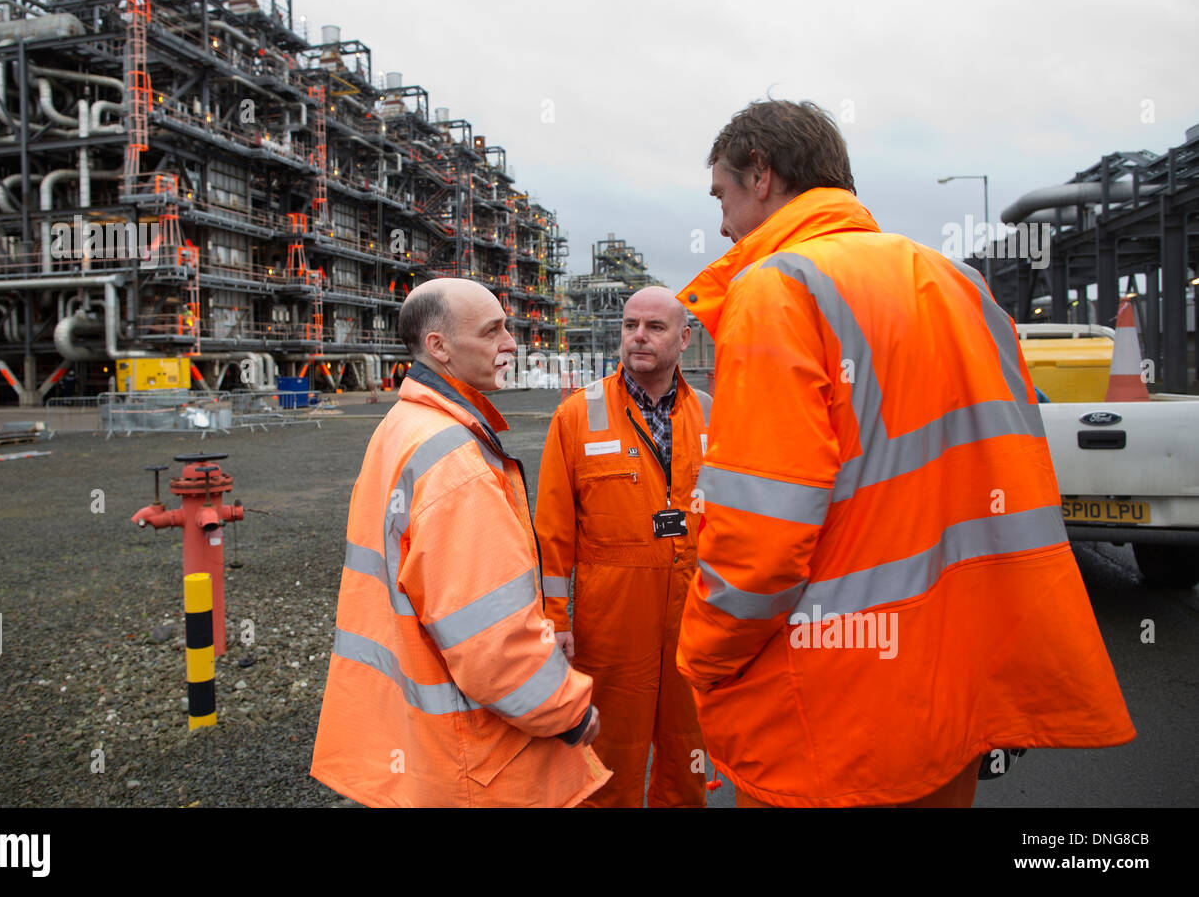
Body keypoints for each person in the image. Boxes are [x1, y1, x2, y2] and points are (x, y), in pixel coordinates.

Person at [678, 100, 1135, 808]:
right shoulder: (963, 288)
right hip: (954, 692)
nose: (720, 222)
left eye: (722, 194)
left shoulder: (778, 288)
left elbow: (760, 535)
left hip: (832, 713)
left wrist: (704, 656)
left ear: (761, 175)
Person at [310, 277, 609, 807]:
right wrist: (567, 710)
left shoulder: (400, 425)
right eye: (492, 331)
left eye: (508, 327)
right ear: (439, 346)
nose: (511, 343)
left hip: (413, 738)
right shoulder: (454, 464)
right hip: (473, 763)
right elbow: (490, 637)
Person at [535, 286, 711, 807]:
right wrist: (556, 618)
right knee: (610, 754)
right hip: (612, 618)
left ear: (683, 338)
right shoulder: (577, 416)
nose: (639, 336)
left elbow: (734, 521)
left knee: (688, 752)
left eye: (654, 327)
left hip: (692, 615)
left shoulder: (708, 414)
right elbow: (552, 532)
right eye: (630, 325)